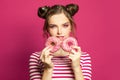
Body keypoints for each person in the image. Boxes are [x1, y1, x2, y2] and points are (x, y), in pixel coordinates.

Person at [29, 4, 92, 80]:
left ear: (71, 27)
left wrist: (76, 67)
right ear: (47, 29)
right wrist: (48, 69)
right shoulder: (36, 58)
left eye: (65, 25)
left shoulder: (84, 58)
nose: (59, 32)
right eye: (53, 26)